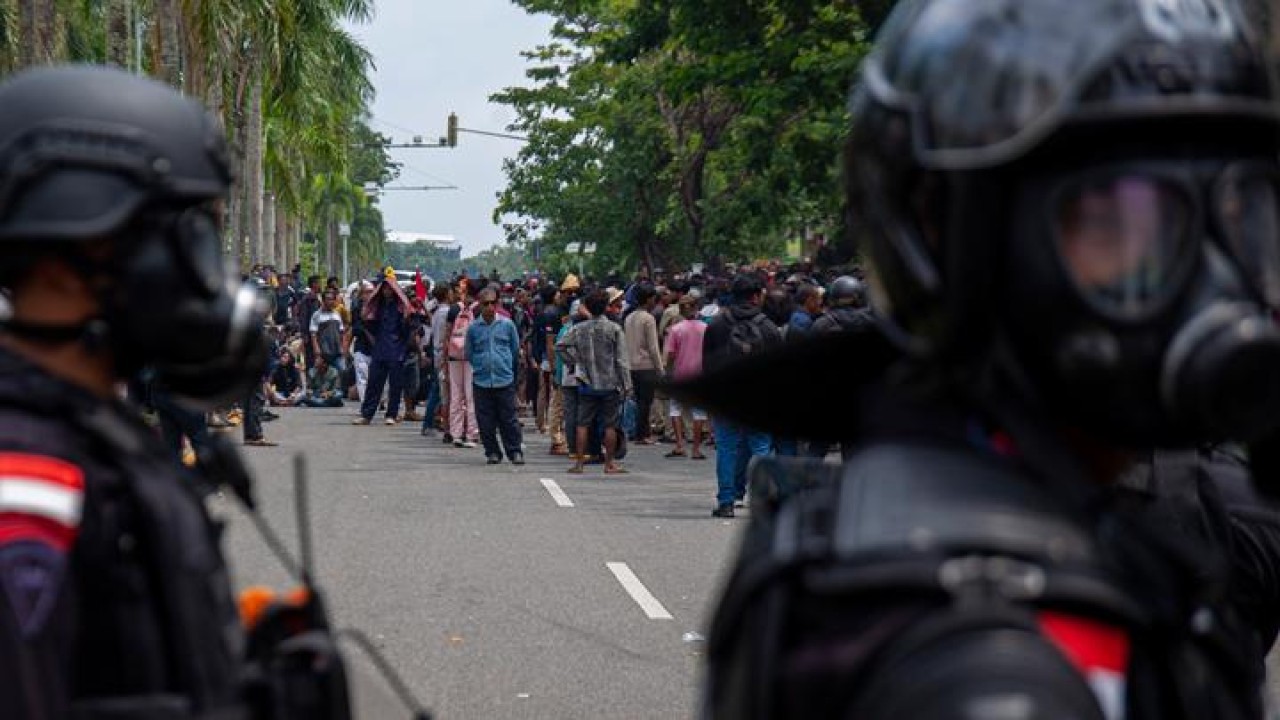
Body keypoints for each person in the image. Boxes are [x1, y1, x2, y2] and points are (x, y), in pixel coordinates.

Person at [687, 1, 1280, 717]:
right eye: (1122, 218)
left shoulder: (1144, 506)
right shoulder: (984, 660)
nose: (1208, 277)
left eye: (1244, 214)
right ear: (947, 233)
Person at [0, 65, 267, 719]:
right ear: (78, 249)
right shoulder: (24, 476)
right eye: (189, 239)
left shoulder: (93, 431)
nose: (207, 280)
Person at [702, 274, 782, 517]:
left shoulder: (716, 325)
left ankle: (726, 501)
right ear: (757, 296)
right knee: (761, 447)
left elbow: (707, 365)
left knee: (726, 449)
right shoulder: (768, 327)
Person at [558, 289, 632, 474]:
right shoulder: (614, 329)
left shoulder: (579, 329)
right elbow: (622, 360)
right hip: (610, 383)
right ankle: (609, 464)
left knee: (583, 423)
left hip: (586, 383)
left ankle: (579, 463)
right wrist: (627, 384)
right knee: (610, 425)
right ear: (606, 307)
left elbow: (561, 347)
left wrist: (574, 362)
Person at [466, 289, 525, 465]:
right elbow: (469, 353)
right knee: (485, 421)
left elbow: (515, 350)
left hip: (504, 379)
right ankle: (492, 452)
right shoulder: (473, 329)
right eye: (486, 304)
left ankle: (514, 451)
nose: (490, 307)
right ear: (480, 305)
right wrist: (480, 365)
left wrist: (509, 371)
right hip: (482, 381)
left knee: (509, 419)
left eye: (493, 303)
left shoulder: (507, 325)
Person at [352, 276, 414, 426]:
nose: (387, 291)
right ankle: (366, 415)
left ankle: (391, 414)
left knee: (395, 385)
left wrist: (404, 347)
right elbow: (368, 322)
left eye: (389, 288)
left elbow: (408, 329)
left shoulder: (401, 307)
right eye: (384, 288)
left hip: (396, 349)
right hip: (380, 349)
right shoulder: (377, 306)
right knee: (373, 383)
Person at [663, 295, 708, 460]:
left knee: (675, 409)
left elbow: (671, 354)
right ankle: (696, 449)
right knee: (699, 412)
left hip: (680, 374)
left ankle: (679, 445)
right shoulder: (705, 328)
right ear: (696, 308)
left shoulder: (675, 330)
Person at [624, 283, 664, 445]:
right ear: (648, 299)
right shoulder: (648, 318)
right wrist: (660, 368)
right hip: (646, 365)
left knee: (639, 400)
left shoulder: (629, 317)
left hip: (631, 364)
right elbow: (653, 347)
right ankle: (643, 435)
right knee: (645, 402)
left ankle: (639, 432)